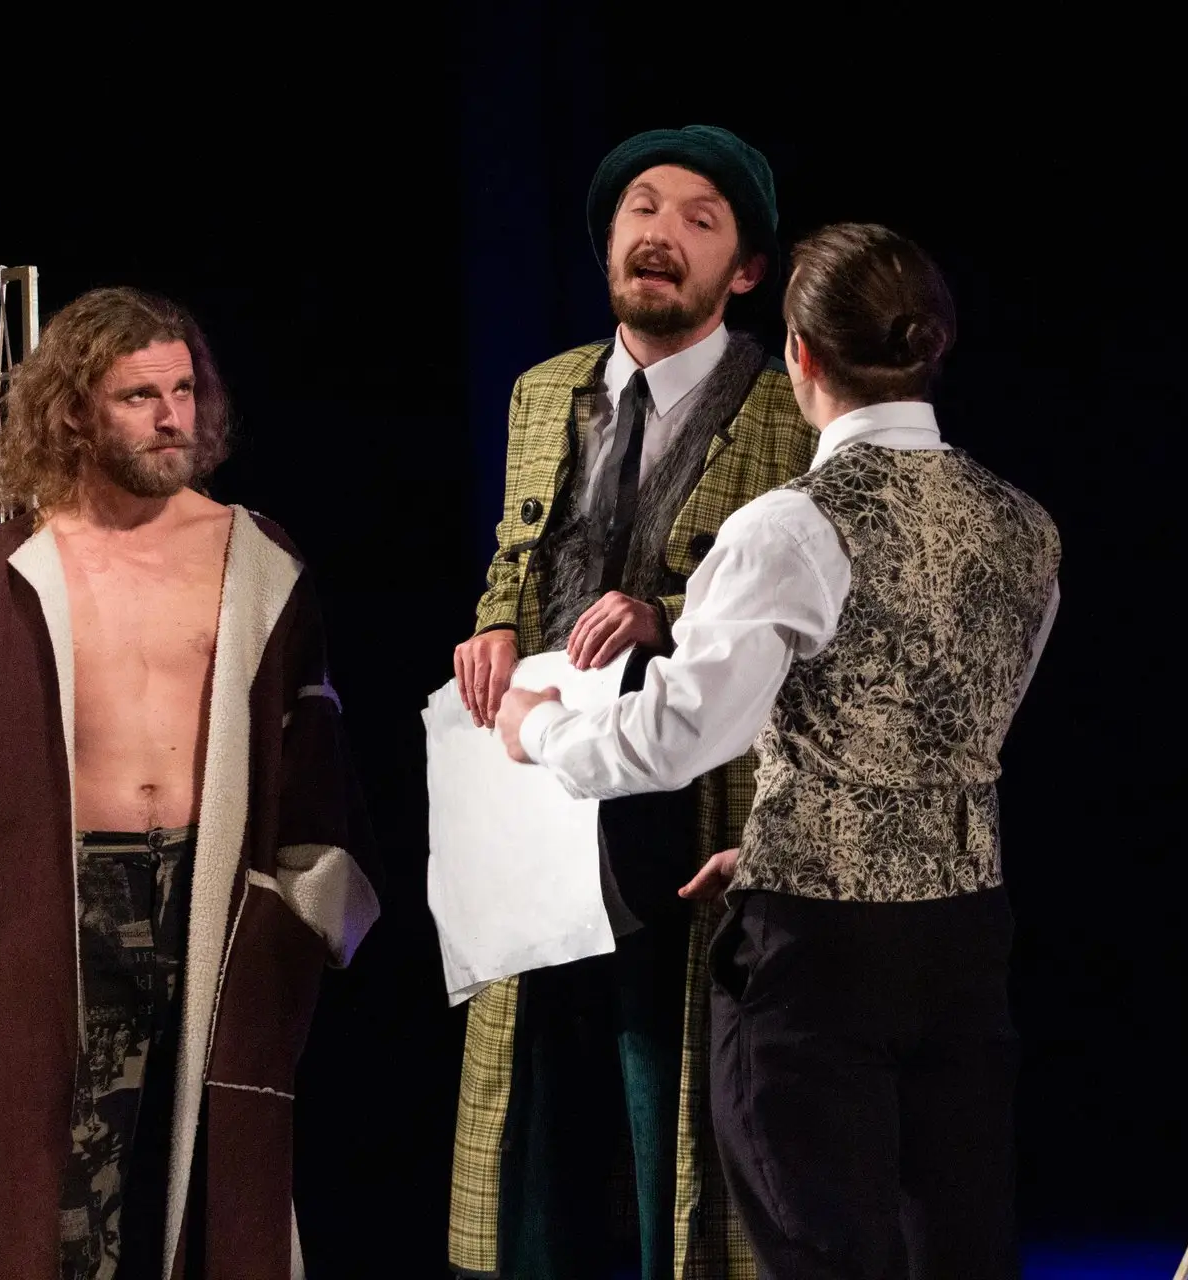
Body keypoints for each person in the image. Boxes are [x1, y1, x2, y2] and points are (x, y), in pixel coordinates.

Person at [498, 223, 1062, 1279]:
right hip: (964, 940)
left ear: (800, 353)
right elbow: (949, 728)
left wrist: (538, 729)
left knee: (824, 1254)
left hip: (820, 956)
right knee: (958, 1254)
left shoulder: (792, 526)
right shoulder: (1024, 523)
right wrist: (776, 838)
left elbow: (675, 734)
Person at [0, 287, 382, 1280]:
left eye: (185, 390)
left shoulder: (257, 557)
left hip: (216, 900)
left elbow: (315, 766)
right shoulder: (3, 570)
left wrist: (299, 916)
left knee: (217, 1194)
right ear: (74, 410)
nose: (174, 417)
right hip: (64, 905)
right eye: (140, 396)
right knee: (63, 1215)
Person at [446, 124, 815, 1280]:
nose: (661, 235)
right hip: (538, 799)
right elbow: (520, 554)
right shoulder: (546, 390)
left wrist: (669, 613)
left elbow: (812, 615)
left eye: (700, 221)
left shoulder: (784, 412)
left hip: (685, 803)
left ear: (743, 271)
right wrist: (494, 617)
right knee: (538, 1112)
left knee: (675, 1114)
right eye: (642, 209)